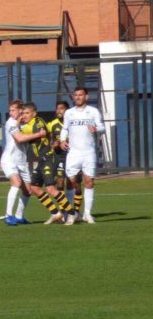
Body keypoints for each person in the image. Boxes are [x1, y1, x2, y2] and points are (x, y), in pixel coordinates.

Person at [21, 102, 76, 225]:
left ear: (34, 114)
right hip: (41, 160)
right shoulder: (29, 124)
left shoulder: (37, 122)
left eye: (27, 113)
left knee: (51, 189)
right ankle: (56, 213)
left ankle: (71, 214)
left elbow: (29, 132)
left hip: (48, 158)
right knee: (34, 188)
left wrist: (19, 124)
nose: (24, 115)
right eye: (23, 113)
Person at [60, 86, 105, 224]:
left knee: (89, 182)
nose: (78, 97)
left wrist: (96, 128)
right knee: (72, 182)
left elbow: (102, 128)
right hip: (73, 152)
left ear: (86, 97)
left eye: (81, 95)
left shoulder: (93, 111)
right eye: (76, 95)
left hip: (89, 152)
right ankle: (72, 212)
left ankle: (87, 214)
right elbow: (65, 128)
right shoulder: (69, 113)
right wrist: (62, 140)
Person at [0, 100, 32, 226]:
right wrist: (39, 134)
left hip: (21, 161)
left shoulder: (25, 124)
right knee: (16, 183)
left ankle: (19, 216)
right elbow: (19, 138)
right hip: (9, 160)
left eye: (13, 110)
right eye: (10, 110)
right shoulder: (10, 123)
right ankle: (8, 215)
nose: (11, 112)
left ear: (20, 110)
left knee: (28, 191)